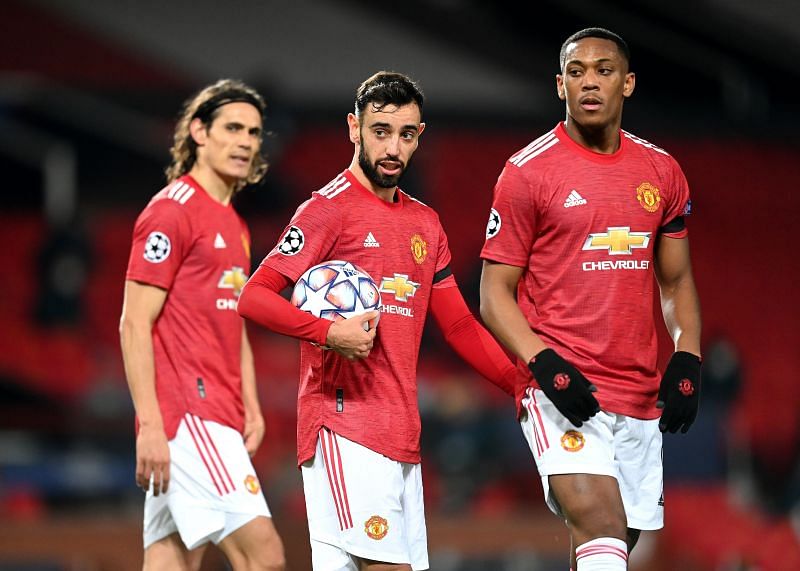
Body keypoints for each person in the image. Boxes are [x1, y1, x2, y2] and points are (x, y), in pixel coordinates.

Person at [238, 71, 517, 571]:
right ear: (354, 128)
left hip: (401, 434)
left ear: (419, 137)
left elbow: (458, 326)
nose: (393, 147)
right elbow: (254, 297)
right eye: (381, 131)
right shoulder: (326, 211)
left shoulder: (425, 223)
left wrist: (519, 384)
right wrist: (328, 332)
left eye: (405, 134)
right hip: (345, 427)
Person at [479, 28, 702, 571]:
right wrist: (545, 365)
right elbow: (493, 294)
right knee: (599, 525)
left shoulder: (662, 172)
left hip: (638, 391)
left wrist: (688, 354)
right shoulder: (527, 172)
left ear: (627, 83)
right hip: (560, 386)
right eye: (576, 73)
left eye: (603, 71)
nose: (590, 83)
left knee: (610, 548)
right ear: (560, 85)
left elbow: (674, 282)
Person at [119, 79, 286, 571]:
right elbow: (133, 322)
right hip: (188, 414)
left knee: (172, 560)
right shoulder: (171, 212)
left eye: (254, 132)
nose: (245, 142)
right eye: (232, 128)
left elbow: (232, 318)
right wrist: (151, 424)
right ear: (198, 132)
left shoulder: (233, 222)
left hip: (217, 410)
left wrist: (249, 402)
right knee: (266, 555)